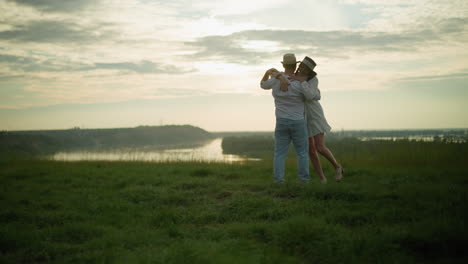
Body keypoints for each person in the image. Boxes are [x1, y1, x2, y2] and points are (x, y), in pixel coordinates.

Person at [260, 53, 319, 184]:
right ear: (295, 65)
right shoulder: (299, 82)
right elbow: (311, 96)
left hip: (281, 121)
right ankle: (304, 180)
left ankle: (278, 180)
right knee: (302, 153)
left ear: (283, 65)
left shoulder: (276, 78)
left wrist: (267, 72)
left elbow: (263, 85)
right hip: (298, 121)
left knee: (279, 153)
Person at [289, 56, 343, 182]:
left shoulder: (313, 80)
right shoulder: (293, 77)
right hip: (301, 116)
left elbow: (309, 96)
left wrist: (302, 82)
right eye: (300, 66)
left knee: (319, 147)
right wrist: (315, 94)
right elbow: (312, 95)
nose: (301, 69)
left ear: (309, 71)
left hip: (314, 114)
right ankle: (322, 179)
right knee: (311, 150)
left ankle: (337, 166)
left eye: (304, 68)